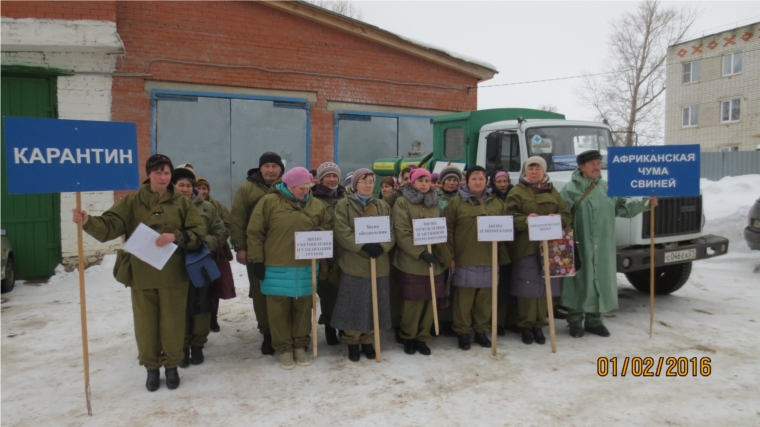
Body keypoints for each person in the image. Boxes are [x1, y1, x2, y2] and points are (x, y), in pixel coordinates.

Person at [72, 154, 205, 392]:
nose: (163, 177)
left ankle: (172, 367)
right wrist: (87, 221)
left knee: (173, 322)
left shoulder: (182, 203)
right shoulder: (132, 201)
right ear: (149, 174)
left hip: (174, 274)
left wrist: (176, 236)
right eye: (158, 172)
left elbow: (197, 233)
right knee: (146, 323)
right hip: (142, 274)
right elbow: (110, 225)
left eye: (166, 173)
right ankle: (151, 368)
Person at [560, 150, 657, 338]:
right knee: (579, 281)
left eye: (598, 163)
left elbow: (624, 209)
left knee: (600, 280)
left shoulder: (608, 187)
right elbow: (563, 216)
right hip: (580, 244)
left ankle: (594, 321)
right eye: (592, 164)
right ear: (581, 167)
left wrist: (645, 203)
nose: (597, 167)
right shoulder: (570, 189)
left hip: (603, 245)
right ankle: (574, 321)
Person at [247, 167, 330, 370]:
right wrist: (257, 260)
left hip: (306, 266)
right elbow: (255, 232)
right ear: (289, 186)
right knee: (278, 309)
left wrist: (320, 233)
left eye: (307, 187)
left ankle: (300, 345)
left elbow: (328, 226)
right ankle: (284, 348)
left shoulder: (316, 205)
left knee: (303, 308)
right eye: (300, 188)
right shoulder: (269, 202)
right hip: (277, 265)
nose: (305, 191)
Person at [506, 157, 572, 345]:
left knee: (545, 287)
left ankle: (540, 324)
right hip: (526, 246)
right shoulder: (517, 192)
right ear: (525, 171)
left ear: (544, 171)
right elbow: (508, 215)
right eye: (531, 168)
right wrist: (525, 220)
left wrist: (558, 218)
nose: (534, 172)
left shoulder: (552, 191)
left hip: (550, 247)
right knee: (527, 285)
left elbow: (567, 214)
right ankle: (526, 325)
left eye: (538, 168)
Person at [332, 168, 395, 361]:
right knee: (354, 304)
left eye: (371, 181)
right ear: (355, 184)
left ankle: (369, 339)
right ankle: (352, 340)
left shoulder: (382, 206)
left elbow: (392, 231)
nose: (368, 185)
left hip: (378, 262)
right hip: (355, 263)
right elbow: (342, 231)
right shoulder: (344, 205)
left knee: (374, 304)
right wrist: (363, 246)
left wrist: (382, 246)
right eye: (364, 181)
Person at [445, 166, 509, 350]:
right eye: (474, 179)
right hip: (465, 256)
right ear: (467, 181)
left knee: (485, 299)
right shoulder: (456, 204)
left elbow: (507, 227)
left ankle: (481, 330)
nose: (478, 182)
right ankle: (463, 332)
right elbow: (448, 230)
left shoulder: (497, 203)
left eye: (481, 178)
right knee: (463, 301)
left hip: (490, 257)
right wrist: (450, 255)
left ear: (486, 181)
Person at [172, 168, 228, 367]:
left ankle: (197, 345)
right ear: (173, 186)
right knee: (179, 307)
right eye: (181, 185)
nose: (185, 189)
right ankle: (182, 346)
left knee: (202, 305)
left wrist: (203, 243)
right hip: (174, 266)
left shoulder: (206, 208)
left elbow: (221, 230)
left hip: (200, 263)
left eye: (189, 185)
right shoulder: (166, 207)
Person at [229, 152, 284, 355]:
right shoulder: (247, 189)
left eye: (274, 166)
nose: (270, 170)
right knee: (261, 293)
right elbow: (237, 219)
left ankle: (284, 331)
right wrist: (240, 247)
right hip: (256, 250)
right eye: (267, 166)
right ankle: (267, 333)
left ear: (281, 169)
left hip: (283, 250)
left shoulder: (288, 187)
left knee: (282, 291)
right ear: (260, 168)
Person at [393, 168, 451, 356]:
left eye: (427, 180)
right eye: (420, 180)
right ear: (412, 182)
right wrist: (419, 253)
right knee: (413, 302)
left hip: (433, 259)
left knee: (430, 300)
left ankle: (423, 336)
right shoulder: (402, 203)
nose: (425, 183)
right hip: (412, 261)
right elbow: (402, 231)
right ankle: (408, 336)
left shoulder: (435, 203)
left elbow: (441, 226)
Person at [311, 162, 346, 345]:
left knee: (345, 291)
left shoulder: (346, 195)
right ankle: (329, 326)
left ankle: (344, 326)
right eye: (328, 176)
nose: (332, 179)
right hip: (326, 253)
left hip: (346, 251)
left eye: (335, 175)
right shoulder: (314, 199)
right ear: (320, 178)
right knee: (328, 292)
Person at [195, 176, 231, 333]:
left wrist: (218, 238)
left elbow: (227, 224)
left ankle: (213, 318)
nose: (202, 191)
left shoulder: (216, 206)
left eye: (205, 188)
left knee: (215, 286)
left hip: (216, 253)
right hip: (196, 253)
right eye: (199, 188)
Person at [490, 170, 519, 335]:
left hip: (514, 245)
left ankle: (511, 319)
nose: (502, 184)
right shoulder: (491, 199)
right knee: (500, 286)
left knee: (513, 284)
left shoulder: (514, 195)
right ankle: (498, 321)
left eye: (505, 181)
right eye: (499, 181)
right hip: (500, 248)